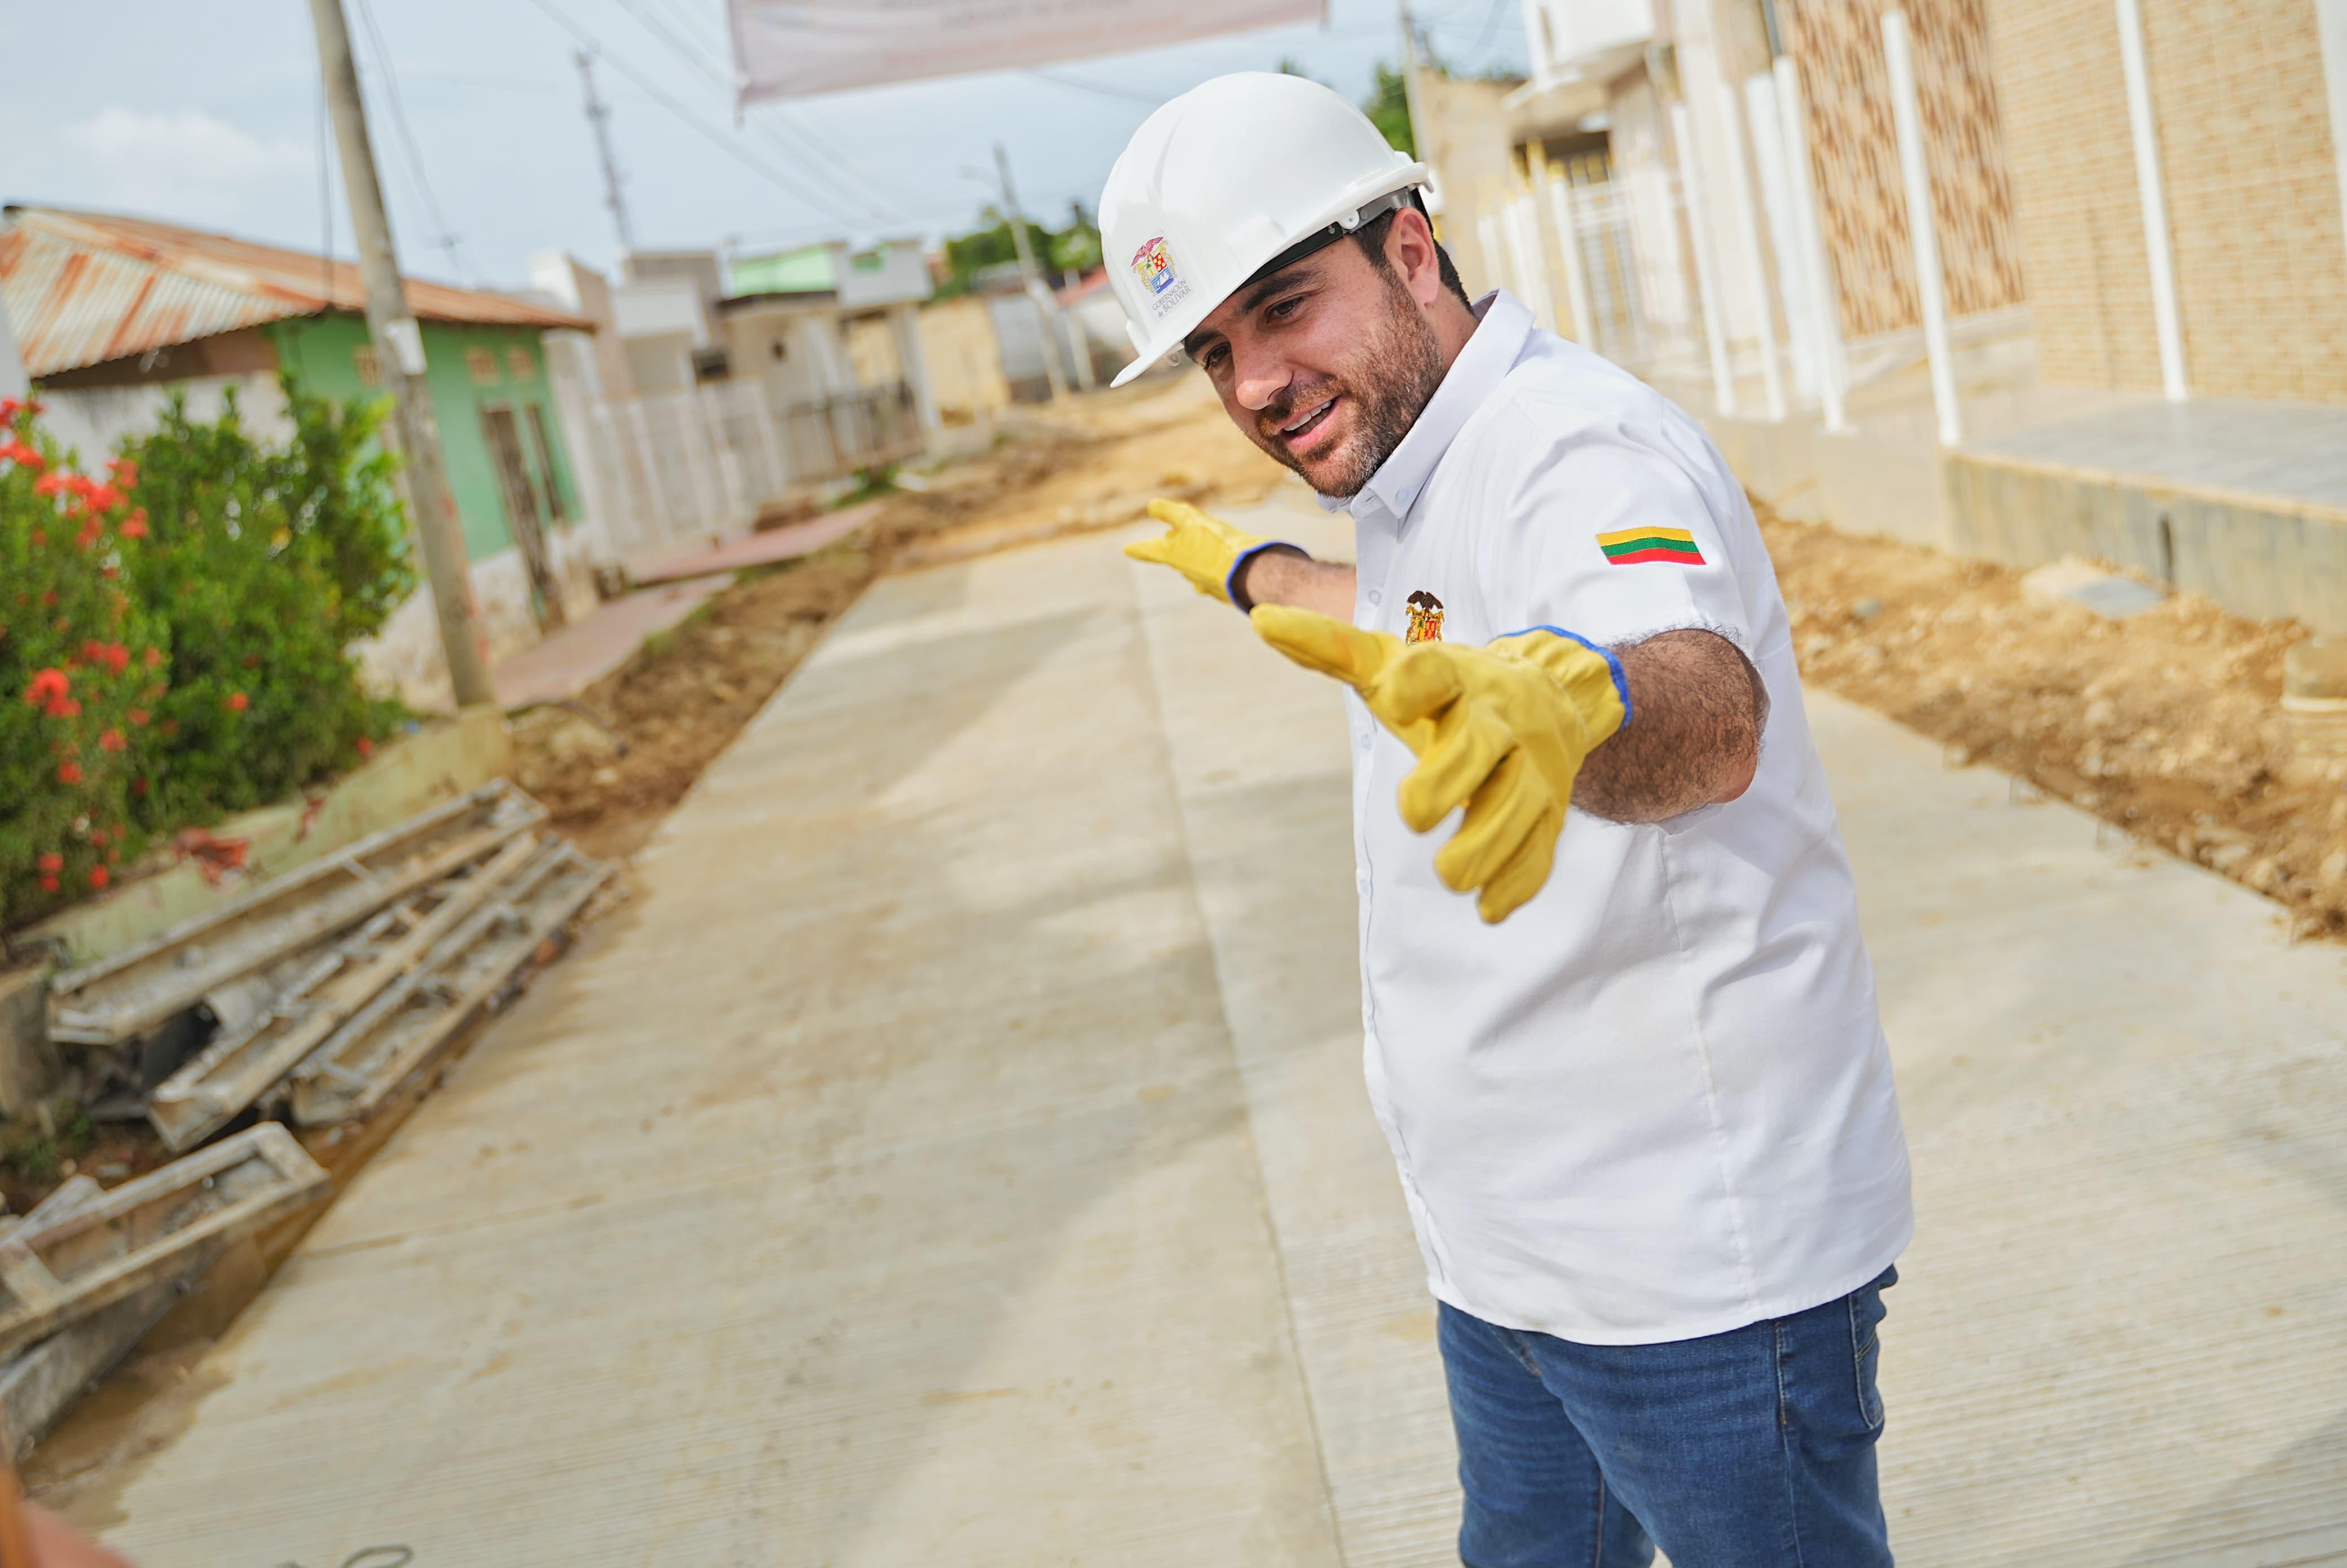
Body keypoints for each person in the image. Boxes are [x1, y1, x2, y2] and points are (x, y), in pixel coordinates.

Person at [1104, 73, 1913, 1567]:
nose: (1255, 384)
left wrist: (1582, 705)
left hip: (1692, 1270)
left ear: (1410, 249)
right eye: (1214, 351)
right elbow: (1419, 623)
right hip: (1507, 1261)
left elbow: (1707, 703)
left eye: (1283, 308)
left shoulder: (1572, 447)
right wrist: (1254, 574)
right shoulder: (1420, 464)